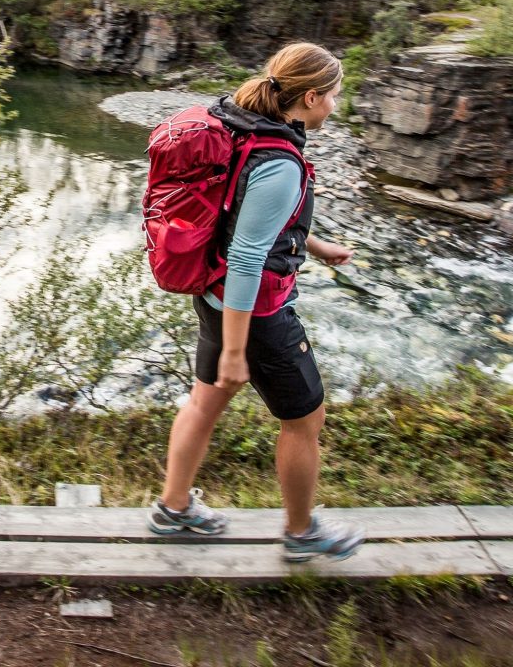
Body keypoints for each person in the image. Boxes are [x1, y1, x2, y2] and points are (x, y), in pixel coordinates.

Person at [147, 42, 365, 562]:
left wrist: (316, 244)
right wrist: (236, 351)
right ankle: (301, 532)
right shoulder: (281, 161)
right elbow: (247, 256)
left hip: (214, 296)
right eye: (334, 96)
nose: (336, 105)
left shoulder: (241, 122)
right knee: (305, 420)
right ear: (310, 98)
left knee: (204, 402)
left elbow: (241, 214)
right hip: (257, 312)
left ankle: (173, 510)